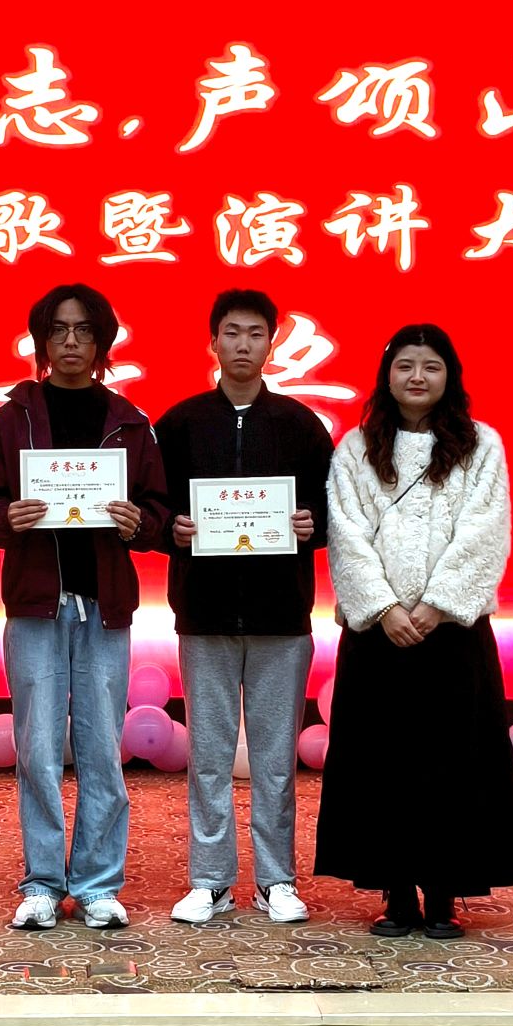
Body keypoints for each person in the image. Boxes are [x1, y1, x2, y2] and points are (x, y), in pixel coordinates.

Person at [316, 324, 513, 938]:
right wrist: (384, 608)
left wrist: (437, 606)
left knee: (452, 762)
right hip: (378, 635)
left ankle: (442, 891)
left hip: (453, 634)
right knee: (382, 763)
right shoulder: (356, 448)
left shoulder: (481, 445)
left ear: (450, 376)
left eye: (431, 366)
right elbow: (346, 534)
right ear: (387, 376)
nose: (417, 377)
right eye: (405, 365)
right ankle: (396, 893)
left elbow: (485, 530)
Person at [0, 283, 170, 931]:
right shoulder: (13, 418)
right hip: (35, 605)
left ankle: (100, 882)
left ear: (103, 343)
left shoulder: (129, 422)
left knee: (102, 747)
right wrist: (6, 516)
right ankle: (43, 883)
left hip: (104, 605)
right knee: (38, 748)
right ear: (41, 341)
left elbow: (160, 512)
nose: (71, 342)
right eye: (58, 330)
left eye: (84, 331)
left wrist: (140, 522)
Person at [156, 288, 333, 925]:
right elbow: (150, 509)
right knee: (208, 756)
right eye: (231, 333)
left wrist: (313, 525)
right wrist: (169, 529)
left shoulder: (301, 425)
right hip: (204, 614)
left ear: (271, 343)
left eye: (256, 334)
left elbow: (337, 512)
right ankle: (210, 880)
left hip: (281, 616)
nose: (243, 345)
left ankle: (276, 880)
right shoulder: (179, 424)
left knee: (275, 758)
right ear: (212, 342)